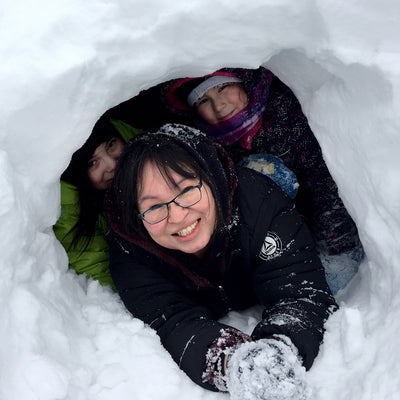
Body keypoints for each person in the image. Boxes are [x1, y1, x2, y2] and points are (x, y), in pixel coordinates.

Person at [105, 123, 337, 398]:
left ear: (211, 178)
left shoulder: (259, 203)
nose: (178, 216)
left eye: (187, 190)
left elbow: (301, 291)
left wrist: (279, 348)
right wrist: (232, 361)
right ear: (136, 214)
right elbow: (174, 322)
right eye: (154, 207)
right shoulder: (131, 252)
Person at [162, 66, 364, 294]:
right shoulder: (212, 145)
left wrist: (339, 247)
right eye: (203, 101)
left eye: (223, 88)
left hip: (329, 225)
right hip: (280, 225)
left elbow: (324, 184)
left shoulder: (286, 115)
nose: (218, 106)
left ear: (244, 82)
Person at [54, 118, 141, 289]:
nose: (112, 164)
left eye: (110, 145)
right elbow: (95, 265)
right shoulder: (74, 210)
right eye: (93, 163)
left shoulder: (148, 150)